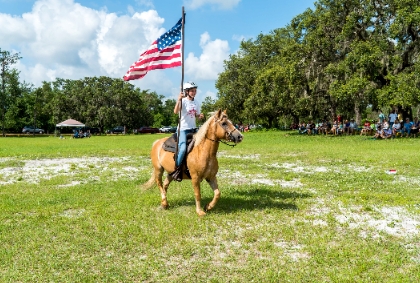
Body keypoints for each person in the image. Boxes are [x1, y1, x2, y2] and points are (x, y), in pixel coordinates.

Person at [172, 82, 204, 180]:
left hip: (193, 129)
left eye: (195, 90)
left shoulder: (196, 102)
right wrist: (178, 100)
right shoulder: (183, 101)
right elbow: (175, 111)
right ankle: (176, 169)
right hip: (183, 129)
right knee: (182, 149)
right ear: (187, 92)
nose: (194, 92)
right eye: (192, 91)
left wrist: (200, 116)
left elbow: (195, 114)